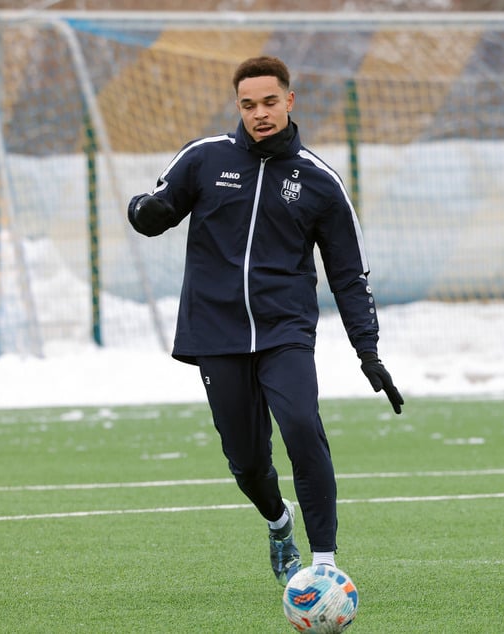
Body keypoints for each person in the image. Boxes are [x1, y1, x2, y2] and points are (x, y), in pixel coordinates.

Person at [127, 55, 402, 587]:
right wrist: (144, 213)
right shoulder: (204, 159)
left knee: (301, 424)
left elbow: (349, 275)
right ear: (238, 106)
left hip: (285, 331)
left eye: (270, 102)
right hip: (215, 331)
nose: (260, 113)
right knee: (247, 463)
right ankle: (279, 522)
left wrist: (367, 351)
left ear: (290, 101)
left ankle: (324, 564)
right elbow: (154, 209)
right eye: (249, 104)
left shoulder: (320, 182)